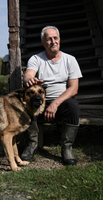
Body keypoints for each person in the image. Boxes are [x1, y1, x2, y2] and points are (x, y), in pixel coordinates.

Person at [20, 26, 83, 165]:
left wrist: (55, 104)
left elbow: (74, 89)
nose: (53, 41)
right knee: (25, 105)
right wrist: (29, 80)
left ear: (59, 40)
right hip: (40, 102)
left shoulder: (70, 60)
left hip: (60, 103)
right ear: (43, 43)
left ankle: (67, 147)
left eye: (55, 38)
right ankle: (32, 144)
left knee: (73, 105)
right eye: (49, 39)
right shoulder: (36, 59)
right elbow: (28, 74)